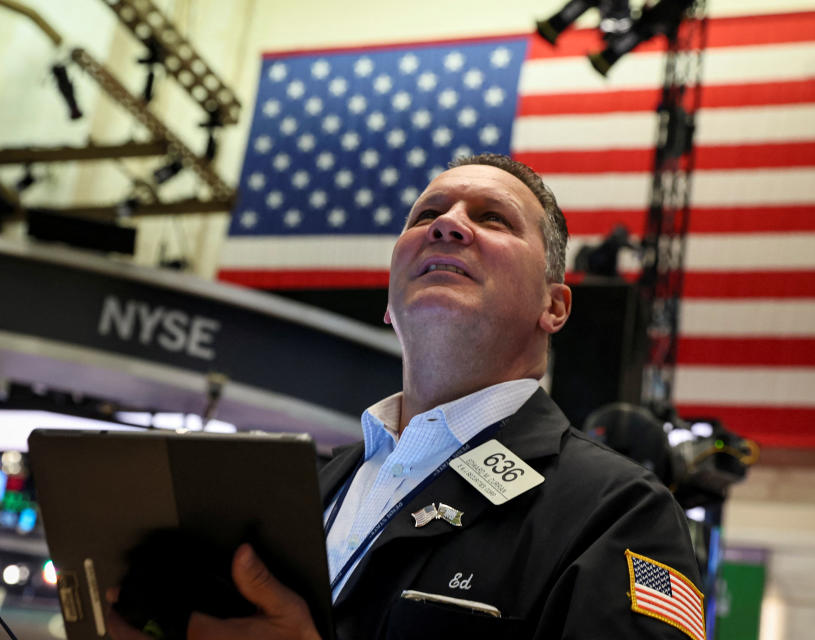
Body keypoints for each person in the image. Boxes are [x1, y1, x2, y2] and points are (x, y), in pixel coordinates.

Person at [108, 154, 703, 640]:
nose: (448, 225)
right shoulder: (306, 487)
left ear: (554, 307)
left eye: (494, 218)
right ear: (390, 304)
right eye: (427, 215)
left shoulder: (620, 513)